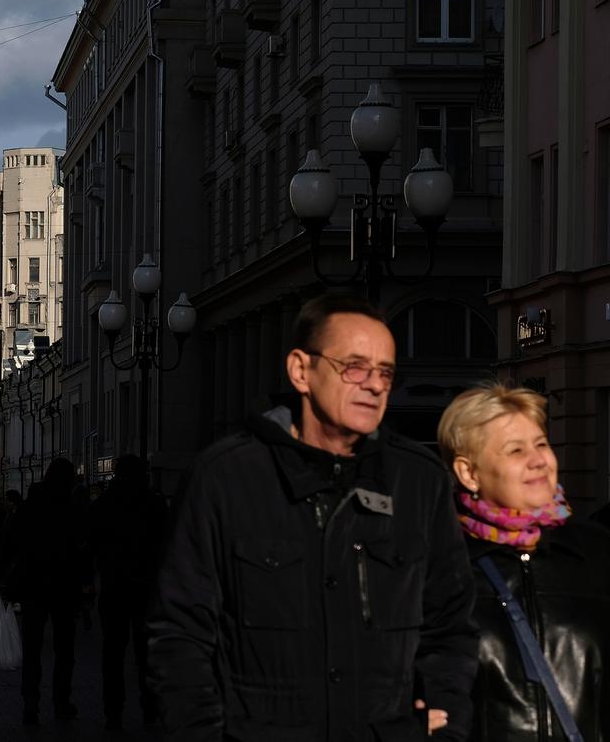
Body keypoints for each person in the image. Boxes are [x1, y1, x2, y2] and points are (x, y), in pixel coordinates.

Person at [148, 293, 478, 739]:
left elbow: (451, 628)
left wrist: (445, 722)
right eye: (355, 367)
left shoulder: (418, 481)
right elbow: (178, 636)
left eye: (385, 372)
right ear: (301, 371)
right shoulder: (225, 477)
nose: (375, 385)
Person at [439, 384, 610, 740]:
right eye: (516, 450)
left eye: (542, 444)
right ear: (469, 473)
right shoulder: (439, 563)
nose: (538, 460)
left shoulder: (596, 551)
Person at [2, 458, 90, 725]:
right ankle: (61, 702)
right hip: (64, 587)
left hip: (33, 586)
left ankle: (31, 701)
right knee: (65, 650)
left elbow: (10, 543)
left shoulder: (29, 507)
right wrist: (85, 584)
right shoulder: (71, 509)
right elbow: (82, 549)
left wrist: (8, 578)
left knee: (32, 648)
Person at [90, 454, 168, 731]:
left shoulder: (103, 505)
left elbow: (93, 545)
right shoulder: (154, 504)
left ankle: (113, 712)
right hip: (146, 589)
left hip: (114, 588)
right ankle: (150, 707)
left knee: (112, 652)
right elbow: (167, 545)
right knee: (147, 652)